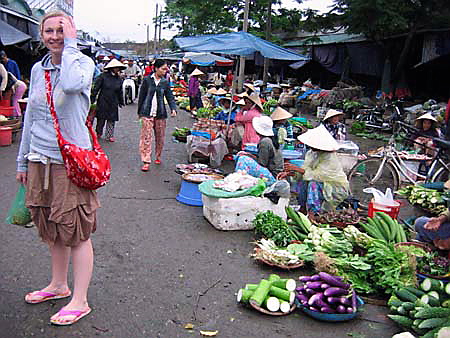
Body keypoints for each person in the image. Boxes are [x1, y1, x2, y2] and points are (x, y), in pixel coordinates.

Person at [16, 11, 99, 326]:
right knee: (50, 228)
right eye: (49, 31)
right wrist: (23, 160)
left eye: (61, 31)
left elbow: (70, 83)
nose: (54, 36)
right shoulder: (37, 70)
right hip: (40, 159)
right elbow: (31, 118)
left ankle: (80, 300)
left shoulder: (81, 64)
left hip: (70, 163)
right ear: (41, 34)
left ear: (72, 33)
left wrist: (71, 47)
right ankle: (58, 285)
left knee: (76, 230)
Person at [278, 125, 349, 214]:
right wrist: (290, 173)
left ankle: (314, 212)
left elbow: (318, 176)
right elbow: (305, 171)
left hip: (334, 186)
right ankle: (303, 206)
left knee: (313, 184)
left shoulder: (329, 157)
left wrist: (296, 168)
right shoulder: (311, 153)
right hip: (319, 181)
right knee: (302, 181)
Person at [137, 59, 177, 171]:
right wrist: (140, 112)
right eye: (163, 69)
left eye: (166, 69)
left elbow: (170, 96)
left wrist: (173, 108)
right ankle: (146, 161)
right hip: (147, 112)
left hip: (160, 113)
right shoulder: (147, 80)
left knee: (160, 137)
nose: (165, 71)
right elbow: (142, 96)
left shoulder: (165, 82)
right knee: (146, 137)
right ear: (156, 68)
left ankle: (158, 155)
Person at [234, 115, 283, 186]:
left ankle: (239, 182)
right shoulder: (269, 139)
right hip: (273, 171)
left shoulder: (265, 142)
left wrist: (248, 156)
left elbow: (262, 163)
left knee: (243, 159)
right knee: (243, 156)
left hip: (272, 175)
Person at [91, 59, 125, 142]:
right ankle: (98, 133)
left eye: (118, 68)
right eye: (115, 67)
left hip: (114, 100)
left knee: (111, 119)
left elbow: (120, 91)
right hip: (103, 99)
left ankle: (109, 135)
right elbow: (96, 88)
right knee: (101, 118)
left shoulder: (119, 79)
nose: (117, 69)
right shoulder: (103, 76)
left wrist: (121, 101)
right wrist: (92, 98)